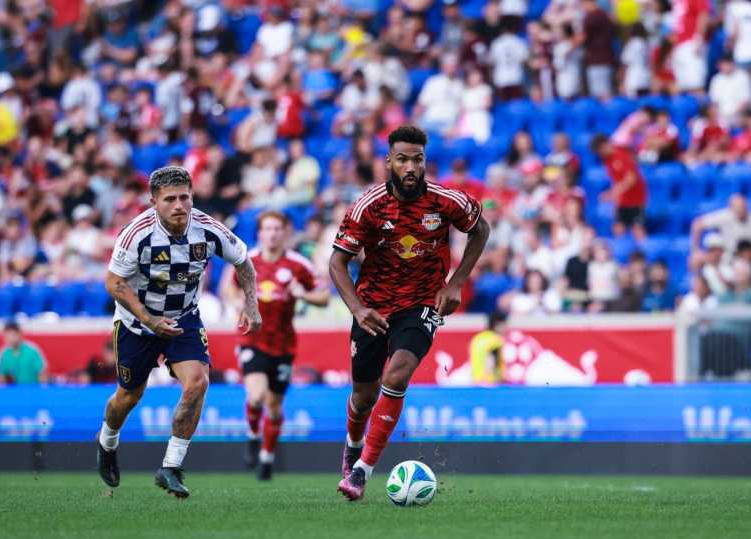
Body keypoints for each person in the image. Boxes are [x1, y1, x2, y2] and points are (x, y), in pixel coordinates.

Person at [330, 125, 490, 501]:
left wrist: (455, 283)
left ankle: (361, 472)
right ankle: (352, 447)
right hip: (372, 307)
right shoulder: (367, 207)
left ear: (425, 161)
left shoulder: (446, 200)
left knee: (398, 374)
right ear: (389, 162)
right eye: (402, 159)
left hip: (420, 304)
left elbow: (480, 230)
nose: (410, 167)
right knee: (363, 397)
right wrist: (357, 308)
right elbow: (337, 263)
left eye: (417, 159)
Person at [96, 166, 262, 499]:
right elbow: (114, 282)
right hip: (136, 323)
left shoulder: (209, 229)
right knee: (128, 397)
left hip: (184, 317)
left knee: (198, 382)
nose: (178, 206)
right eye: (169, 199)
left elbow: (244, 262)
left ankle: (170, 467)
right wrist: (149, 320)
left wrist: (251, 305)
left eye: (184, 197)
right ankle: (107, 442)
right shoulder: (136, 234)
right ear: (153, 201)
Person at [220, 211, 329, 481]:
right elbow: (227, 286)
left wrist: (303, 294)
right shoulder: (248, 261)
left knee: (276, 406)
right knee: (256, 396)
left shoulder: (297, 265)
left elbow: (324, 296)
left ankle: (267, 457)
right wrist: (236, 302)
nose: (272, 234)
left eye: (277, 229)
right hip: (252, 340)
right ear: (259, 233)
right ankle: (253, 436)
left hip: (283, 344)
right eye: (267, 229)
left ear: (285, 232)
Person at [592, 134, 648, 239]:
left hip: (636, 198)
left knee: (637, 228)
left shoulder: (621, 155)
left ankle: (643, 253)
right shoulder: (607, 161)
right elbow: (616, 180)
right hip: (623, 200)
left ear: (605, 145)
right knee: (618, 228)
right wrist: (616, 200)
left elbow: (631, 179)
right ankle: (620, 254)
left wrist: (612, 193)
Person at [469, 310, 507, 385]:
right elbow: (494, 361)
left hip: (475, 381)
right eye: (504, 325)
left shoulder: (477, 338)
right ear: (497, 324)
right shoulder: (496, 340)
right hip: (490, 382)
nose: (506, 328)